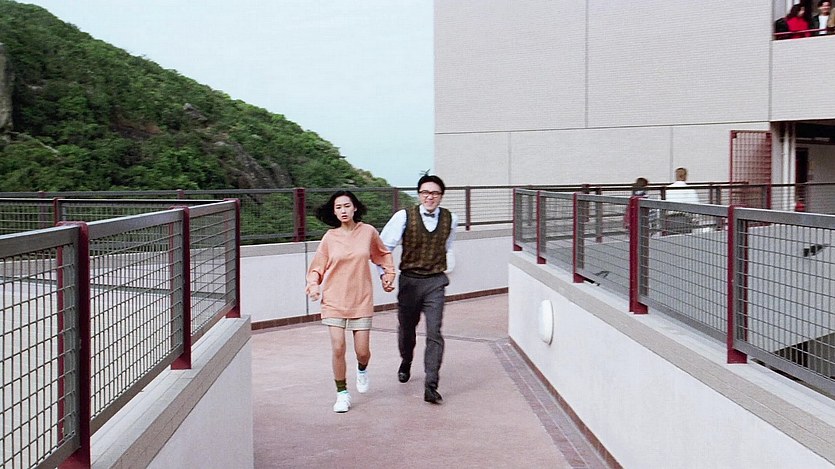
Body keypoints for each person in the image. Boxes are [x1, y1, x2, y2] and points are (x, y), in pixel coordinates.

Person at [305, 190, 396, 413]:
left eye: (346, 206)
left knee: (362, 352)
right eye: (338, 207)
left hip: (361, 299)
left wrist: (388, 274)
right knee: (338, 347)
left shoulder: (368, 232)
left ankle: (362, 369)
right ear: (334, 212)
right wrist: (313, 285)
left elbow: (382, 254)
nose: (343, 210)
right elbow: (317, 267)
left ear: (355, 207)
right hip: (334, 300)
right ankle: (342, 393)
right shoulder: (329, 238)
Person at [380, 174, 458, 404]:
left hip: (435, 282)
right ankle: (406, 361)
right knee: (407, 329)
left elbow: (447, 246)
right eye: (425, 192)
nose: (429, 197)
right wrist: (385, 273)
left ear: (441, 196)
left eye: (434, 193)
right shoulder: (404, 216)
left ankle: (431, 385)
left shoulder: (451, 219)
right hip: (410, 282)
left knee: (434, 332)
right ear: (419, 194)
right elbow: (384, 247)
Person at [664, 167, 700, 234]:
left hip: (669, 219)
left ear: (676, 176)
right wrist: (696, 219)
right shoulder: (690, 190)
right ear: (685, 176)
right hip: (685, 219)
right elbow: (695, 206)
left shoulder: (666, 189)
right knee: (684, 238)